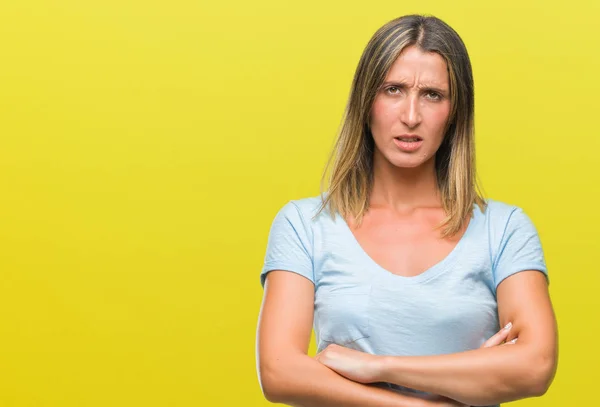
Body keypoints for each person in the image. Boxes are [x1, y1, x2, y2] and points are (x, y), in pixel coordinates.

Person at [256, 14, 558, 407]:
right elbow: (279, 373)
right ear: (366, 101)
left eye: (432, 94)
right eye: (393, 90)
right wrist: (429, 402)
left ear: (455, 112)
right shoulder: (304, 224)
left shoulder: (504, 230)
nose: (411, 116)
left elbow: (536, 366)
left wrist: (382, 367)